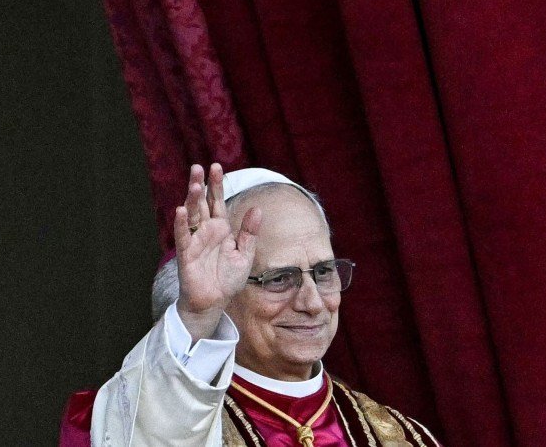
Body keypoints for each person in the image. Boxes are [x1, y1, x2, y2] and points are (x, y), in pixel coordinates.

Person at [87, 164, 441, 446]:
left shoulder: (403, 437)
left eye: (323, 272)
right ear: (224, 295)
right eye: (278, 279)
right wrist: (197, 315)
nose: (312, 303)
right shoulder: (181, 425)